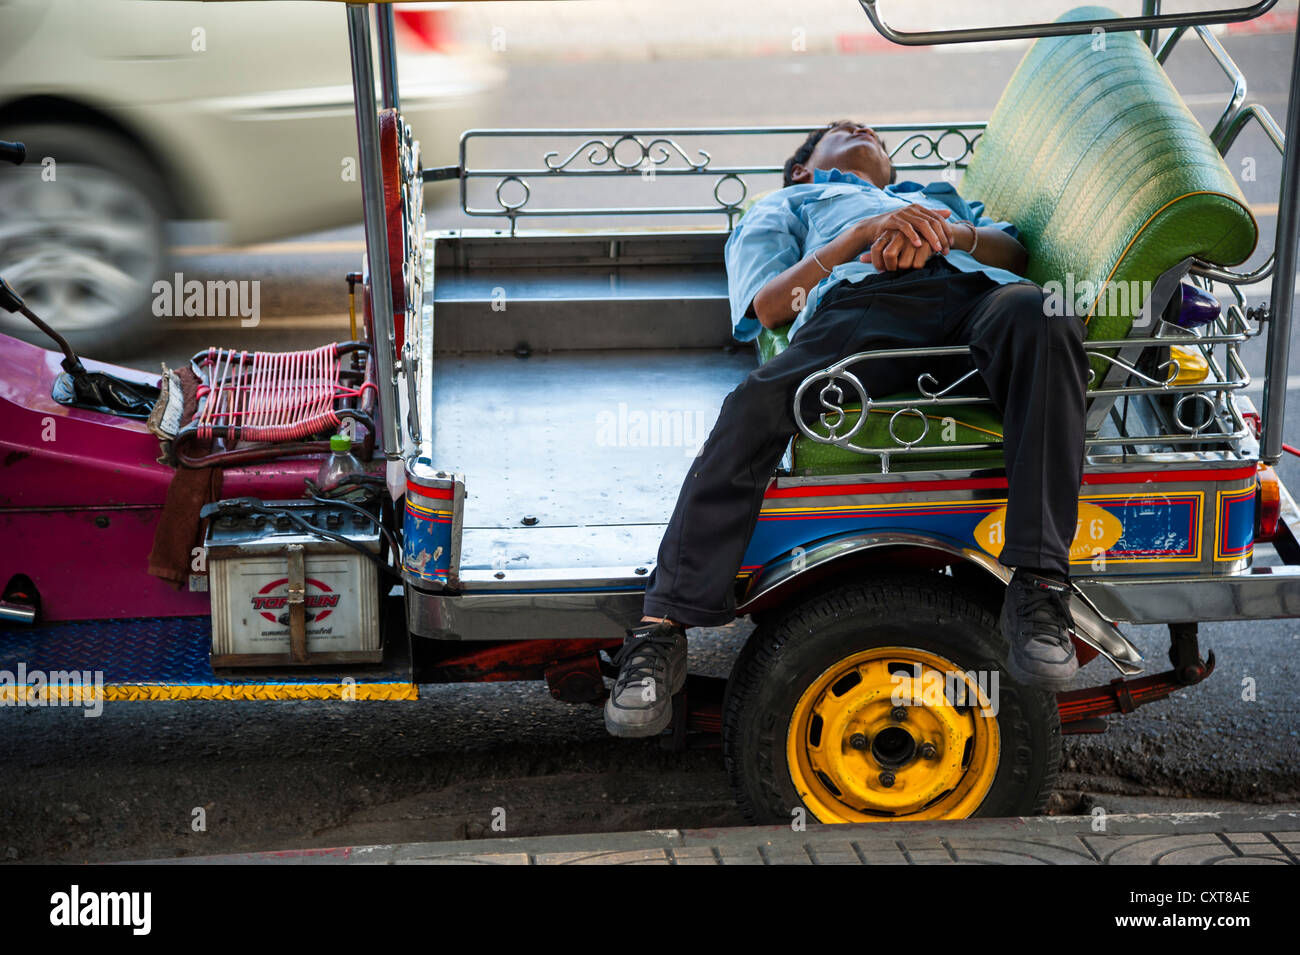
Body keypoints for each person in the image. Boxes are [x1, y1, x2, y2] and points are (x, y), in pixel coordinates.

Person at [604, 120, 1091, 737]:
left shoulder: (935, 193)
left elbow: (1015, 255)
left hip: (977, 294)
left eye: (874, 136)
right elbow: (771, 305)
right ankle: (663, 629)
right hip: (863, 306)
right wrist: (859, 238)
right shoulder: (787, 202)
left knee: (1044, 313)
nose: (861, 129)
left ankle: (1040, 587)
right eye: (837, 130)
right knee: (755, 402)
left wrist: (945, 230)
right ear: (804, 168)